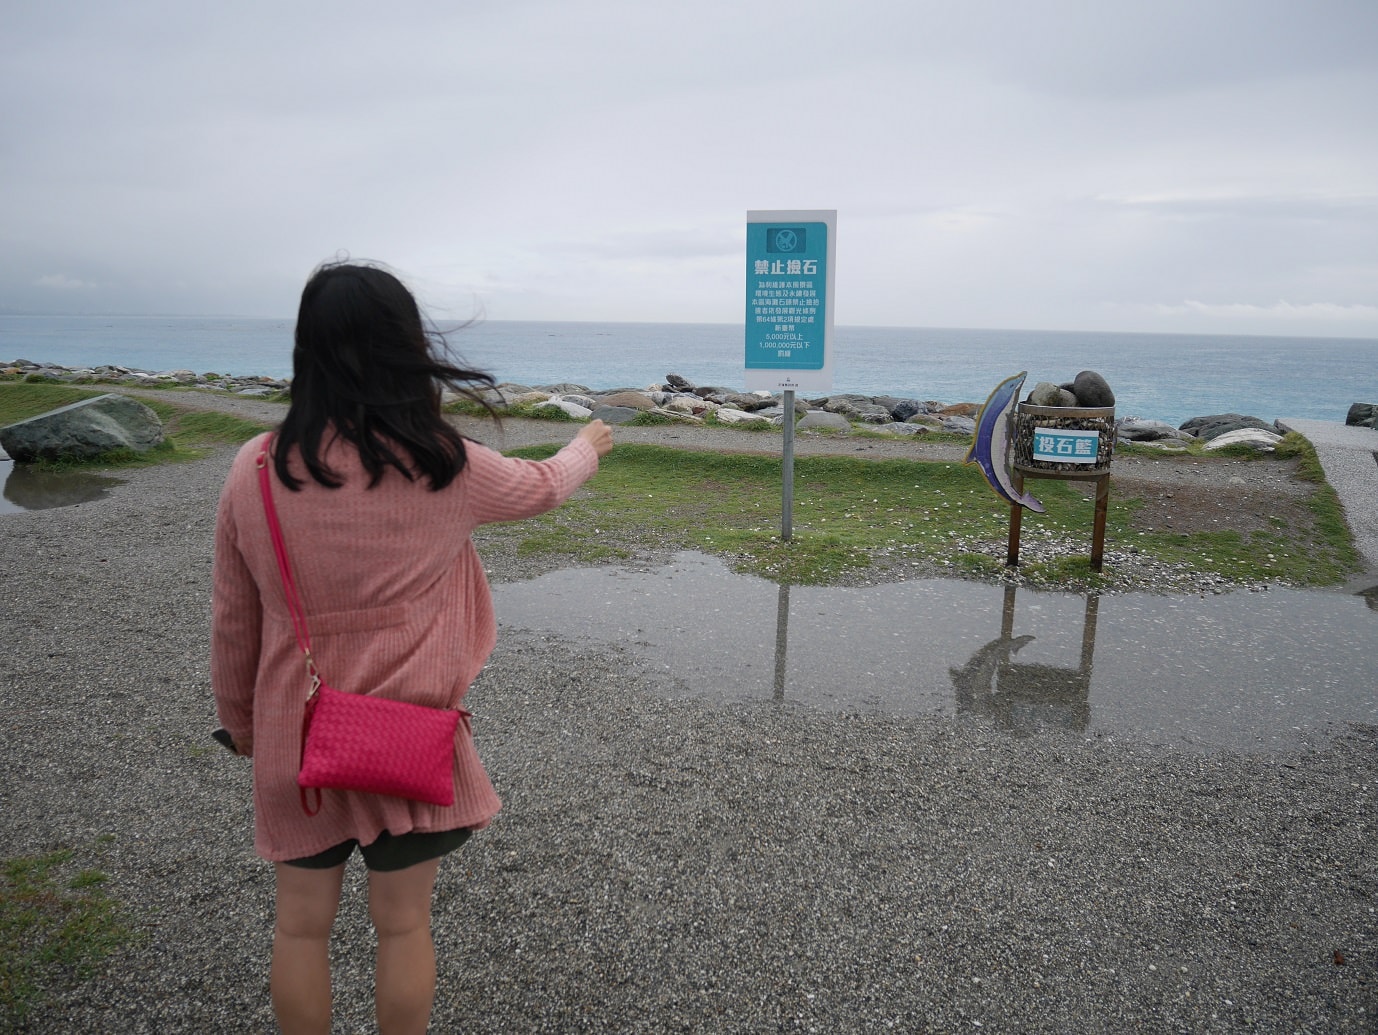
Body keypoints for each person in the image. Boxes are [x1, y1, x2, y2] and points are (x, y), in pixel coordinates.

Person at [211, 261, 613, 1034]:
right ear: (406, 347)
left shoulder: (256, 467)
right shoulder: (440, 460)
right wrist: (587, 444)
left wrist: (244, 725)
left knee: (299, 926)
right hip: (410, 736)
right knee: (403, 926)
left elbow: (234, 618)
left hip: (296, 738)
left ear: (309, 348)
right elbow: (541, 485)